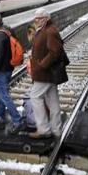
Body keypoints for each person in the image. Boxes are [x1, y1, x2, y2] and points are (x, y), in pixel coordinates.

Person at [0, 11, 25, 134]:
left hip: (1, 71)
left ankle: (18, 121)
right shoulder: (5, 32)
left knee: (4, 96)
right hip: (6, 69)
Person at [28, 8, 65, 139]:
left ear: (47, 18)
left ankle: (43, 129)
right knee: (53, 101)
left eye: (40, 18)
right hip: (47, 73)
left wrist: (42, 65)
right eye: (36, 18)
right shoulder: (44, 30)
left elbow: (55, 51)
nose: (36, 20)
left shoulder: (50, 31)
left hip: (45, 73)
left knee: (35, 96)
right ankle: (56, 130)